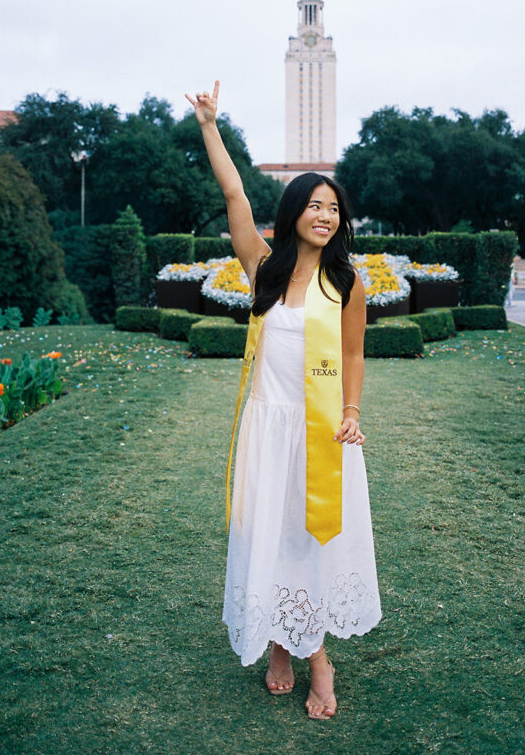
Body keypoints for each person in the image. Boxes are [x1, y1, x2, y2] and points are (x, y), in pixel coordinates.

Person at [185, 81, 381, 720]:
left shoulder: (347, 283)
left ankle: (315, 658)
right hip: (268, 429)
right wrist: (211, 127)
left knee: (311, 541)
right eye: (315, 206)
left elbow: (353, 355)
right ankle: (279, 644)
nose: (325, 217)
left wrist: (351, 414)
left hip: (324, 433)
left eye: (334, 210)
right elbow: (235, 196)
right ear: (295, 211)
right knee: (265, 533)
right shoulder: (264, 268)